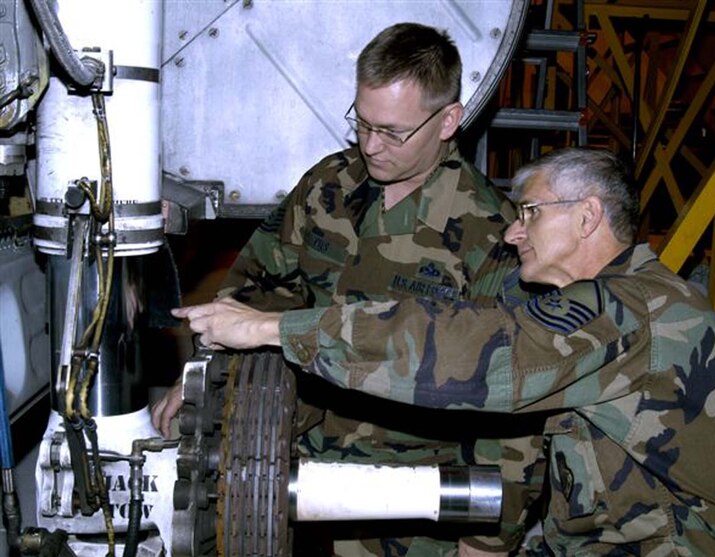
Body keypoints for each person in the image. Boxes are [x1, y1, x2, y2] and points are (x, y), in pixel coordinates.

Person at [173, 147, 715, 555]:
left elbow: (476, 352)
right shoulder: (621, 302)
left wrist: (276, 330)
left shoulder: (630, 309)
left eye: (529, 212)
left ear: (588, 216)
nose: (511, 232)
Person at [153, 22, 538, 556]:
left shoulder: (490, 234)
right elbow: (253, 289)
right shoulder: (328, 186)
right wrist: (198, 380)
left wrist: (489, 538)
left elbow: (515, 398)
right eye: (362, 122)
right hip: (284, 472)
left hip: (409, 500)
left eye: (393, 132)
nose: (371, 145)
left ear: (449, 120)